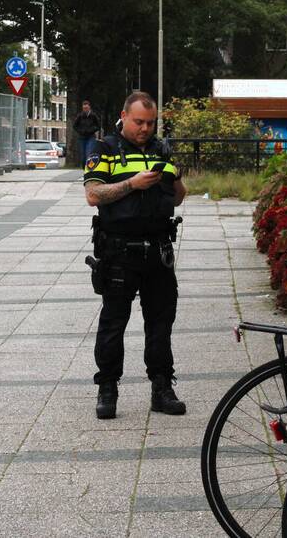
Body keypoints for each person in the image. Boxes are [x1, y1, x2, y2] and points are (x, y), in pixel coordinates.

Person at [83, 91, 187, 420]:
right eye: (139, 121)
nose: (145, 128)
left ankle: (161, 388)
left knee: (160, 323)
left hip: (157, 249)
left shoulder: (162, 149)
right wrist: (133, 184)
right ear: (124, 116)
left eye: (151, 122)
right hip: (119, 250)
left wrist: (178, 179)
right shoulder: (105, 149)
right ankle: (108, 388)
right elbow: (93, 194)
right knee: (113, 323)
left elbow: (178, 199)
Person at [72, 100, 102, 168]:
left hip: (91, 137)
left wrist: (92, 130)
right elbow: (74, 126)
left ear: (89, 108)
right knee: (83, 156)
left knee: (89, 153)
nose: (85, 110)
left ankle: (89, 169)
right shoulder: (80, 116)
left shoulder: (93, 116)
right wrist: (80, 131)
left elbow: (98, 126)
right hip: (82, 138)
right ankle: (84, 169)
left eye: (87, 108)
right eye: (84, 108)